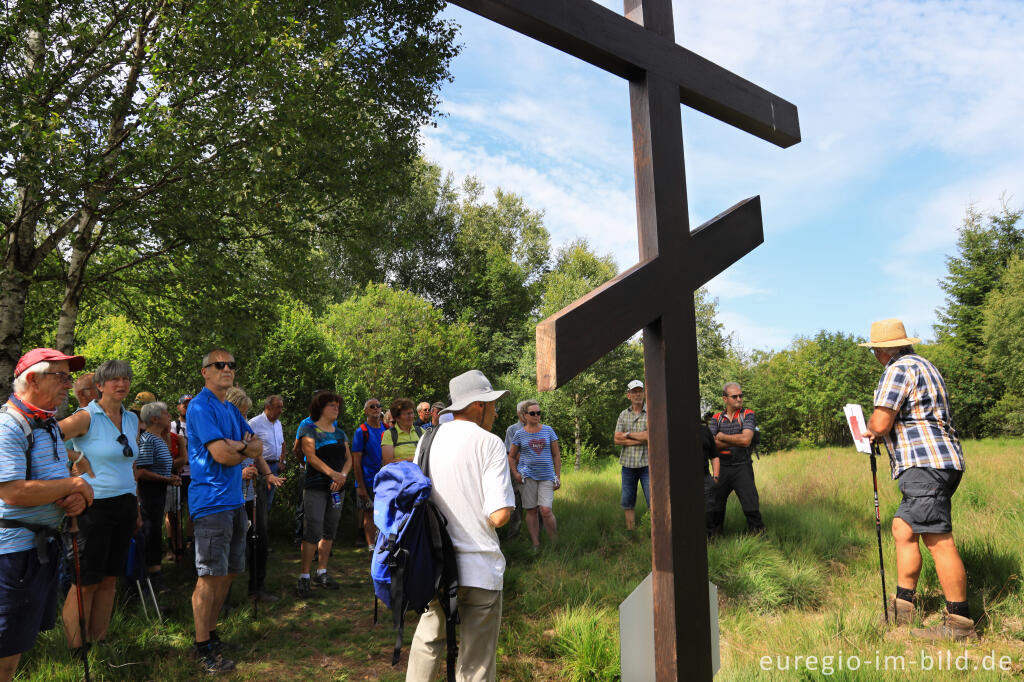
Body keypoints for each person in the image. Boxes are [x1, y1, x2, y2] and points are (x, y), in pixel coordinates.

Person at [861, 318, 975, 639]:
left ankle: (959, 623)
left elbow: (881, 422)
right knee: (903, 528)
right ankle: (903, 608)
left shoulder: (897, 370)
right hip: (940, 462)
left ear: (882, 351)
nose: (875, 357)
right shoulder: (925, 365)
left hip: (925, 464)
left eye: (875, 352)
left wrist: (866, 430)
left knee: (936, 538)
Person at [406, 370, 514, 682]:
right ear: (479, 405)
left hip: (434, 565)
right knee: (476, 660)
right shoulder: (490, 444)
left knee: (428, 642)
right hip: (479, 566)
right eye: (493, 404)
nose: (495, 411)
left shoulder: (428, 439)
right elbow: (498, 516)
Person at [186, 349, 282, 674]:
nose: (227, 369)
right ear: (205, 372)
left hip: (234, 501)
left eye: (231, 365)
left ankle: (212, 636)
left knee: (227, 574)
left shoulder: (230, 408)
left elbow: (259, 448)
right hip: (211, 502)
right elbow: (224, 456)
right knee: (210, 576)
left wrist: (236, 446)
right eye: (219, 365)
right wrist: (240, 448)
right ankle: (202, 648)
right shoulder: (200, 407)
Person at [0, 349, 93, 681]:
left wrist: (74, 499)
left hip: (40, 549)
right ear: (32, 379)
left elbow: (56, 486)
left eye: (69, 377)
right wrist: (75, 483)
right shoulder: (8, 426)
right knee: (4, 650)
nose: (68, 385)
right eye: (61, 377)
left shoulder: (49, 425)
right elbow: (12, 492)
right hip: (12, 554)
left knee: (15, 647)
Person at [58, 359, 141, 653]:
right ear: (100, 386)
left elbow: (130, 465)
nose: (121, 384)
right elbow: (47, 439)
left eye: (126, 379)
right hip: (93, 508)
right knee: (85, 582)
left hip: (125, 505)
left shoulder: (132, 419)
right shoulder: (86, 416)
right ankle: (76, 651)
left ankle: (99, 642)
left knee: (109, 579)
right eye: (114, 380)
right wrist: (75, 459)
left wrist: (137, 508)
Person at [295, 391, 351, 597]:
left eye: (337, 405)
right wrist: (334, 474)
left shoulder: (340, 433)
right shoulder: (309, 429)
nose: (336, 408)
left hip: (337, 489)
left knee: (329, 530)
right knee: (313, 530)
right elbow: (310, 457)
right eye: (332, 405)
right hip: (316, 487)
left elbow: (348, 459)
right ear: (320, 408)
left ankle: (322, 572)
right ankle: (304, 576)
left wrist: (342, 476)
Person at [226, 388, 277, 604]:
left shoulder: (245, 426)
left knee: (260, 541)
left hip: (249, 494)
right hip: (228, 496)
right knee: (228, 546)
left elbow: (257, 453)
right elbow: (216, 462)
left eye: (246, 412)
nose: (244, 417)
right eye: (241, 412)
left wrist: (268, 474)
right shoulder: (221, 429)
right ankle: (223, 598)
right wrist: (240, 473)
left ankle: (257, 587)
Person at [136, 401, 181, 593]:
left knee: (155, 531)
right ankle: (151, 578)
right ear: (154, 418)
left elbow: (154, 467)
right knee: (151, 531)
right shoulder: (148, 439)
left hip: (159, 490)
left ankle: (155, 575)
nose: (169, 415)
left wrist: (168, 477)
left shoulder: (158, 439)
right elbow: (142, 471)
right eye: (165, 413)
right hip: (149, 493)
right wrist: (166, 479)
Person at [708, 382, 764, 533]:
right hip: (722, 467)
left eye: (741, 395)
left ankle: (758, 540)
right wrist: (735, 441)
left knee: (751, 506)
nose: (739, 399)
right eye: (734, 396)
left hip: (742, 466)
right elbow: (711, 445)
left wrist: (723, 437)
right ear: (725, 399)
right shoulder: (716, 418)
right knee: (715, 507)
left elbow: (746, 441)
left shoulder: (748, 414)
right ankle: (714, 540)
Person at [508, 400, 560, 550]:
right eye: (533, 413)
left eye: (539, 413)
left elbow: (556, 455)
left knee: (545, 510)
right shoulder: (519, 434)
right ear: (524, 415)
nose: (536, 415)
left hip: (547, 477)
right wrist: (516, 473)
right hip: (527, 477)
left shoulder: (548, 430)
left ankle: (554, 543)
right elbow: (511, 456)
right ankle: (536, 544)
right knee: (531, 510)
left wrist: (557, 476)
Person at [613, 380, 649, 531]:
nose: (638, 394)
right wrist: (640, 439)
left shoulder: (651, 412)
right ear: (628, 395)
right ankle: (630, 531)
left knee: (653, 500)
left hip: (648, 465)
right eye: (634, 391)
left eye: (640, 390)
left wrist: (627, 435)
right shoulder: (623, 414)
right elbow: (616, 439)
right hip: (628, 466)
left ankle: (654, 531)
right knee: (627, 501)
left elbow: (651, 436)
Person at [351, 398, 385, 549]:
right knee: (369, 513)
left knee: (384, 513)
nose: (376, 408)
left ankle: (382, 545)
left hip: (385, 481)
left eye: (378, 406)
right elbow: (356, 461)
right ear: (365, 411)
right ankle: (372, 547)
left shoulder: (387, 429)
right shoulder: (361, 432)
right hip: (368, 481)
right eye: (372, 406)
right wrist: (360, 486)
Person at [248, 395, 284, 508]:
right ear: (268, 407)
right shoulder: (254, 423)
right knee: (257, 503)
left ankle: (264, 525)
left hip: (274, 468)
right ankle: (256, 525)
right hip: (258, 468)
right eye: (278, 407)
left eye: (282, 407)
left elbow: (282, 443)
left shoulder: (278, 423)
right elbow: (247, 446)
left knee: (268, 502)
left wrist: (283, 461)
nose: (281, 411)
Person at [501, 402, 528, 540]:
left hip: (535, 472)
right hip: (516, 471)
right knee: (517, 504)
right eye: (525, 411)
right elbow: (512, 451)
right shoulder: (512, 430)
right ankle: (514, 537)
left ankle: (536, 535)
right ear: (519, 413)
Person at [381, 398, 422, 466]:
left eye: (412, 413)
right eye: (407, 414)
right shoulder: (389, 435)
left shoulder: (421, 431)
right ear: (397, 418)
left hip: (422, 473)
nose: (411, 416)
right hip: (400, 475)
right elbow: (387, 462)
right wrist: (411, 460)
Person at [700, 413, 721, 538]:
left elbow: (714, 455)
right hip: (683, 480)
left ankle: (710, 541)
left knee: (708, 511)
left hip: (705, 477)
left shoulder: (705, 430)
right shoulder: (676, 431)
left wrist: (716, 477)